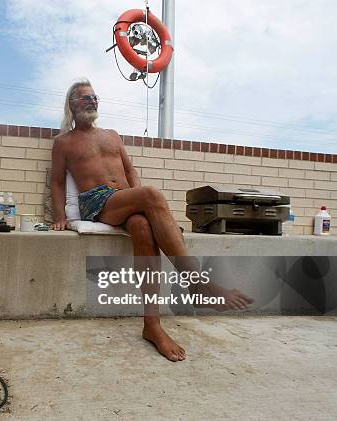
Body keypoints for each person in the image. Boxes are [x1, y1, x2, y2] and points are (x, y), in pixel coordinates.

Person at [51, 78, 253, 361]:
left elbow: (131, 172)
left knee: (143, 227)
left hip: (124, 198)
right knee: (152, 195)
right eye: (85, 98)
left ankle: (152, 325)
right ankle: (196, 282)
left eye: (95, 97)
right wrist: (60, 217)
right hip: (96, 201)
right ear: (72, 104)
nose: (92, 101)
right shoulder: (63, 142)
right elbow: (58, 182)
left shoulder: (112, 135)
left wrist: (143, 203)